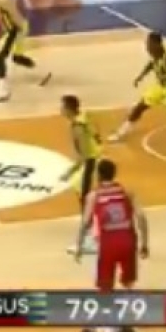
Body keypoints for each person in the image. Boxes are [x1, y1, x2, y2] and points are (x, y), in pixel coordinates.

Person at [73, 159, 149, 293]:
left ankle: (108, 304)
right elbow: (141, 217)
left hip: (108, 244)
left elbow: (85, 223)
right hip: (128, 241)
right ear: (114, 173)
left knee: (105, 287)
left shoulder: (93, 196)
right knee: (129, 283)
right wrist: (144, 244)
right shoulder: (127, 192)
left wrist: (79, 246)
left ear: (98, 175)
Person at [107, 32, 166, 144]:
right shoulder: (155, 55)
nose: (147, 47)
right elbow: (151, 64)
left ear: (157, 44)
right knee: (139, 107)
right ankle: (122, 131)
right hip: (159, 87)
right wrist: (141, 76)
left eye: (149, 44)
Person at [0, 0, 51, 101]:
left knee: (0, 58)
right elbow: (2, 18)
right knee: (15, 57)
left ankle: (3, 91)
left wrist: (18, 33)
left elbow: (17, 18)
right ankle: (41, 73)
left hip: (15, 29)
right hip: (13, 29)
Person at [59, 94, 104, 254]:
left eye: (62, 107)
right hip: (95, 160)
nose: (60, 110)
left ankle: (92, 240)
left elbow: (84, 154)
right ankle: (91, 233)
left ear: (69, 109)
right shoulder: (86, 117)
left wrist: (69, 172)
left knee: (87, 202)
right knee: (83, 198)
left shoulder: (78, 127)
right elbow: (97, 135)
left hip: (90, 163)